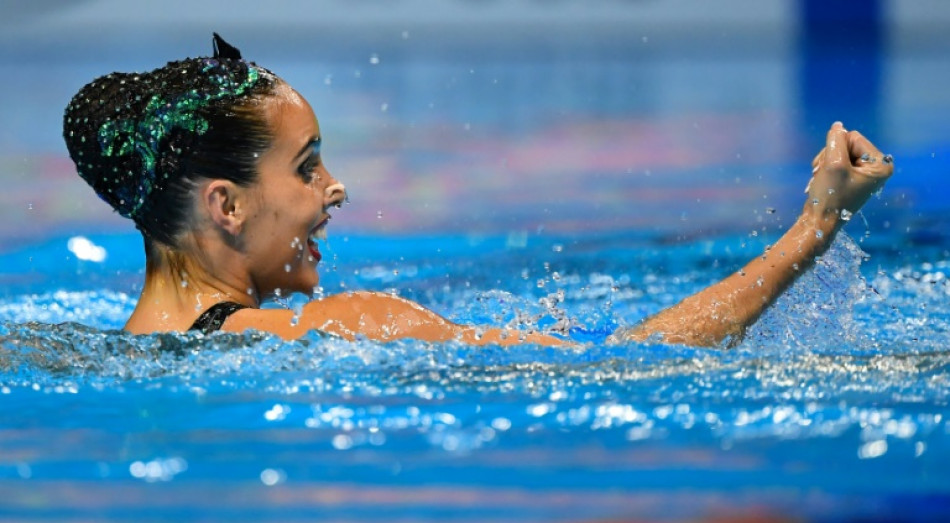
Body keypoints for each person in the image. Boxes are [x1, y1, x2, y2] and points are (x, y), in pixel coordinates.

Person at [63, 35, 894, 348]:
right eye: (308, 165)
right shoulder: (344, 324)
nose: (334, 189)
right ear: (227, 205)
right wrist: (813, 229)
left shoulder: (91, 353)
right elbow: (635, 360)